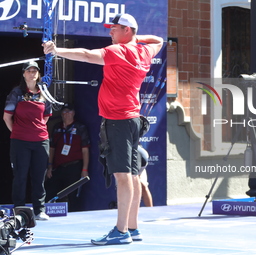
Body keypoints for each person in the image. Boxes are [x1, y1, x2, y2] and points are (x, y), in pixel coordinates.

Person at [43, 13, 163, 244]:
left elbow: (87, 55)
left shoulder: (117, 51)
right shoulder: (144, 51)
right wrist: (135, 39)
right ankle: (133, 227)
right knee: (133, 174)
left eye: (115, 28)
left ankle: (121, 231)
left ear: (126, 30)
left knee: (123, 175)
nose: (110, 32)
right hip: (132, 119)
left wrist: (56, 50)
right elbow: (158, 40)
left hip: (118, 121)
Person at [3, 61, 52, 220]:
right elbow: (7, 117)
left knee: (39, 176)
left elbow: (45, 117)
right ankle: (19, 210)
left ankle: (39, 210)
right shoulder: (16, 93)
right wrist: (19, 132)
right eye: (29, 71)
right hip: (20, 141)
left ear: (38, 74)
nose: (32, 73)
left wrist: (35, 130)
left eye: (35, 71)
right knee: (20, 175)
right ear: (23, 74)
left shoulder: (44, 92)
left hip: (41, 141)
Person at [45, 103, 90, 212]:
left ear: (73, 113)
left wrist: (84, 169)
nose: (67, 114)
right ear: (61, 114)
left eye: (69, 111)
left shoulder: (80, 128)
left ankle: (74, 217)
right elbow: (52, 148)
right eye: (64, 111)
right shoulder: (57, 127)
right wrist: (49, 166)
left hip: (74, 167)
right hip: (58, 167)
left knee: (72, 195)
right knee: (50, 192)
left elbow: (85, 150)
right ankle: (46, 213)